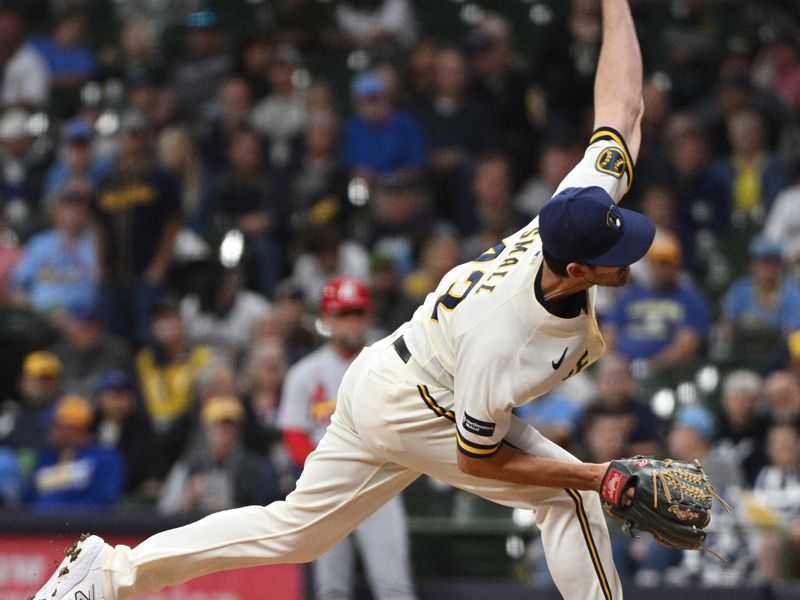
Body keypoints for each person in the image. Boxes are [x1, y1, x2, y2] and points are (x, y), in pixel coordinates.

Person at [34, 2, 651, 598]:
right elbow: (478, 460)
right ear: (576, 267)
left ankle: (108, 574)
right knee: (571, 497)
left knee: (295, 531)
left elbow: (622, 108)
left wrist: (614, 4)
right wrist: (597, 475)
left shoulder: (577, 208)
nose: (630, 248)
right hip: (425, 403)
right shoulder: (505, 334)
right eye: (616, 249)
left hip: (385, 374)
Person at [280, 276, 417, 600]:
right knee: (331, 590)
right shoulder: (305, 373)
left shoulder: (391, 361)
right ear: (325, 319)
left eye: (357, 313)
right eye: (342, 314)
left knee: (395, 588)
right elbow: (294, 433)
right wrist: (327, 470)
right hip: (327, 490)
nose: (351, 322)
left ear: (368, 316)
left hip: (379, 483)